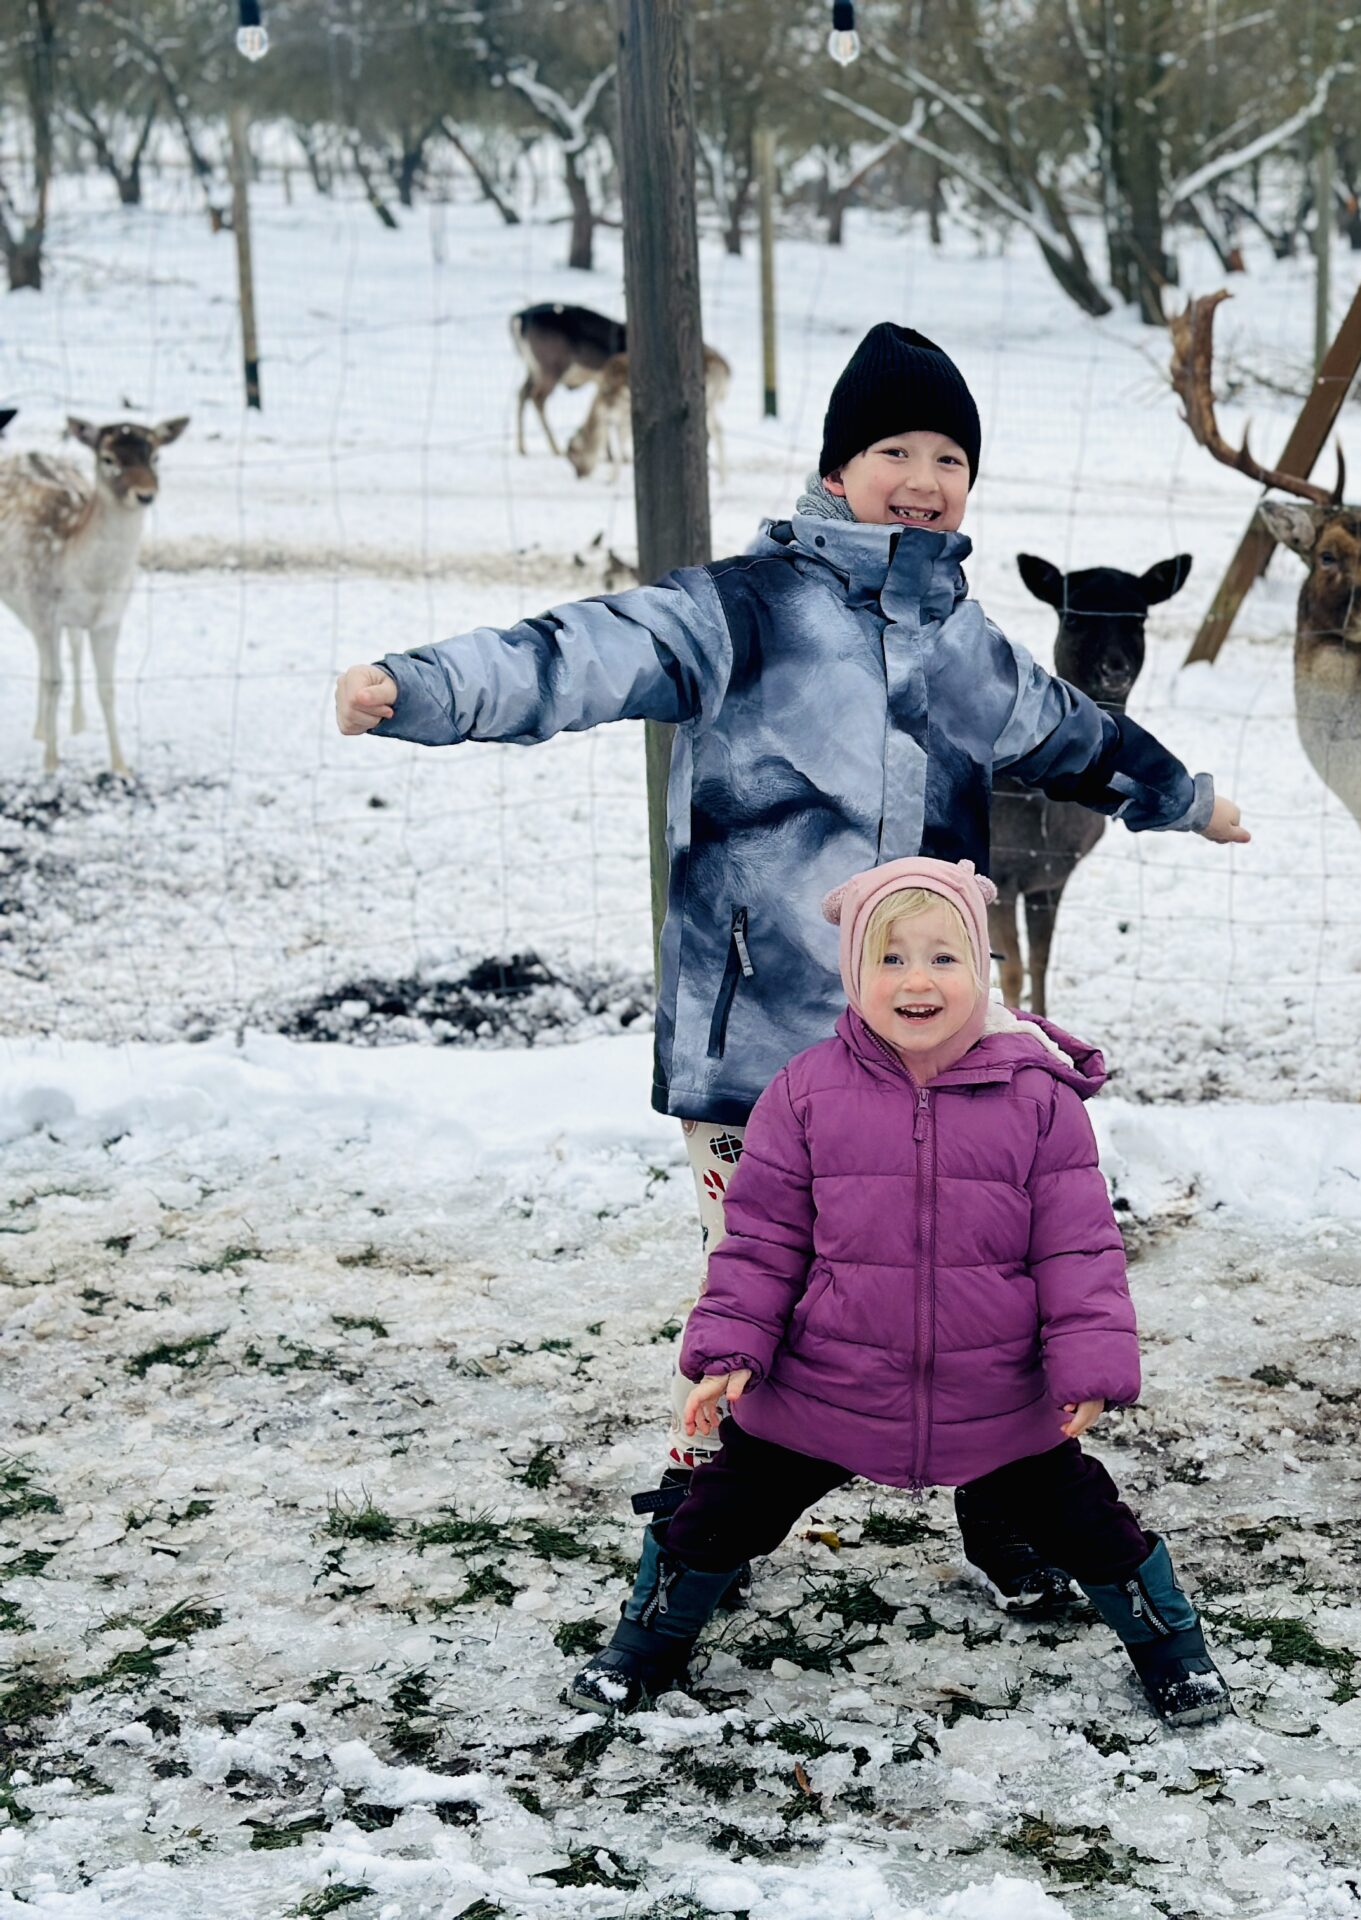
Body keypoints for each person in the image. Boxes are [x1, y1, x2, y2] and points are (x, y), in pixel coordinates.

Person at [335, 323, 1247, 1607]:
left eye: (949, 456)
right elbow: (578, 653)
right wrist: (418, 689)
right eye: (892, 450)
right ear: (834, 469)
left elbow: (1064, 733)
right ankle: (708, 1502)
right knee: (758, 1281)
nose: (923, 477)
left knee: (972, 1283)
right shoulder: (739, 613)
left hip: (933, 1040)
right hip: (760, 1046)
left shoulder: (961, 642)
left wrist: (1182, 797)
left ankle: (1012, 1514)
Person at [566, 857, 1229, 1728]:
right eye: (890, 959)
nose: (918, 980)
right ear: (852, 974)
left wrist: (1090, 1362)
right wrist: (728, 1350)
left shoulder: (1037, 1099)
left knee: (1091, 1525)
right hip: (824, 1384)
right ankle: (645, 1644)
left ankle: (1171, 1650)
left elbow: (1078, 1246)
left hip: (993, 1391)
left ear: (982, 971)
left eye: (944, 958)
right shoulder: (804, 1095)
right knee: (723, 1512)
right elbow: (761, 1241)